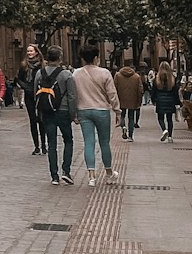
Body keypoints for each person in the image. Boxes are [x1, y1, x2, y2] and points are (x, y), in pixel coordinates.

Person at [74, 44, 120, 186]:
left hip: (83, 110)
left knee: (89, 142)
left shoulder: (75, 74)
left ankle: (91, 176)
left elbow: (73, 95)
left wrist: (74, 113)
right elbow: (112, 94)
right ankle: (108, 173)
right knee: (104, 142)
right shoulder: (105, 73)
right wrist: (117, 111)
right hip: (101, 110)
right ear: (95, 57)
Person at [34, 46, 78, 185]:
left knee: (51, 143)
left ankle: (54, 176)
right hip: (63, 111)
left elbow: (36, 92)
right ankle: (66, 170)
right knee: (68, 140)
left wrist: (39, 110)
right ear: (60, 58)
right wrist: (73, 114)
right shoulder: (66, 75)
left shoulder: (39, 73)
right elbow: (72, 96)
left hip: (47, 111)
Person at [22, 43, 46, 156]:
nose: (29, 53)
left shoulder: (42, 66)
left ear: (36, 52)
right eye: (28, 51)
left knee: (41, 120)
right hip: (29, 95)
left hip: (40, 95)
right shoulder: (24, 65)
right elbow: (19, 79)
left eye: (31, 51)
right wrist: (26, 87)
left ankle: (44, 145)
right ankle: (36, 146)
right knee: (32, 120)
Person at [114, 62, 143, 141]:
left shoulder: (118, 75)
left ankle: (123, 127)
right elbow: (140, 90)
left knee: (122, 116)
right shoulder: (136, 77)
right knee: (131, 118)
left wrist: (115, 100)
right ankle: (130, 136)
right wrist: (139, 101)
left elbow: (114, 88)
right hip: (133, 99)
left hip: (121, 99)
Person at [151, 61, 179, 142]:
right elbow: (175, 92)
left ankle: (164, 130)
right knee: (169, 119)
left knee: (160, 118)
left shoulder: (157, 78)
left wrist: (153, 100)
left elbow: (153, 91)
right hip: (170, 100)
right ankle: (170, 136)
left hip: (160, 100)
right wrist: (177, 102)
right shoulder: (172, 78)